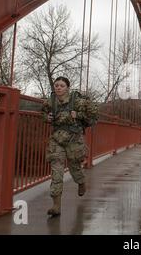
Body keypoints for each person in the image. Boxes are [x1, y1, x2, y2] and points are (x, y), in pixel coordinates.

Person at [41, 76, 96, 216]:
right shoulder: (50, 101)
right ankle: (56, 206)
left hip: (74, 140)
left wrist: (78, 115)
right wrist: (46, 118)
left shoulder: (78, 101)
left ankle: (81, 182)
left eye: (62, 86)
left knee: (74, 168)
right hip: (57, 140)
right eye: (56, 85)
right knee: (56, 172)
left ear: (68, 88)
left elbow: (93, 118)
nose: (58, 88)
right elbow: (42, 112)